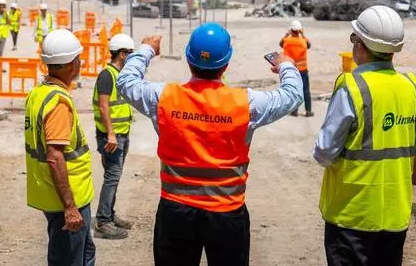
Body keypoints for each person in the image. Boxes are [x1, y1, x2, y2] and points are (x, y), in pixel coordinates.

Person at [117, 22, 303, 266]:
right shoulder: (245, 103)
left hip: (176, 211)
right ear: (225, 64)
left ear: (188, 59)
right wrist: (285, 65)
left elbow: (125, 82)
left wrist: (146, 50)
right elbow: (292, 94)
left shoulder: (164, 97)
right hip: (226, 212)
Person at [313, 5, 416, 266]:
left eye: (354, 39)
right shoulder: (413, 87)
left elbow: (324, 151)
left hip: (352, 215)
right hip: (396, 214)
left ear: (361, 46)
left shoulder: (352, 87)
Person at [25, 29, 96, 266]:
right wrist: (70, 207)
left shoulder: (39, 92)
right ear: (69, 64)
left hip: (53, 194)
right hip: (67, 198)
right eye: (78, 59)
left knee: (84, 252)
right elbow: (55, 157)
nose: (80, 63)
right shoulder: (58, 103)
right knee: (69, 258)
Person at [92, 33, 136, 240]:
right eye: (129, 53)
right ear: (121, 54)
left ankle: (109, 213)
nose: (131, 57)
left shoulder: (120, 74)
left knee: (114, 176)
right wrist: (110, 133)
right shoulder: (107, 75)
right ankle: (103, 221)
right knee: (112, 176)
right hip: (111, 136)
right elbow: (103, 105)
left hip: (121, 134)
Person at [281, 20, 313, 117]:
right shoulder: (303, 41)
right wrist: (303, 35)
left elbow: (280, 43)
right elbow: (309, 45)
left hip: (291, 69)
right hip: (302, 69)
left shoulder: (286, 41)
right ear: (299, 30)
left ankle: (294, 111)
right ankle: (308, 111)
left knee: (293, 90)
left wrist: (286, 34)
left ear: (291, 30)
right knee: (306, 90)